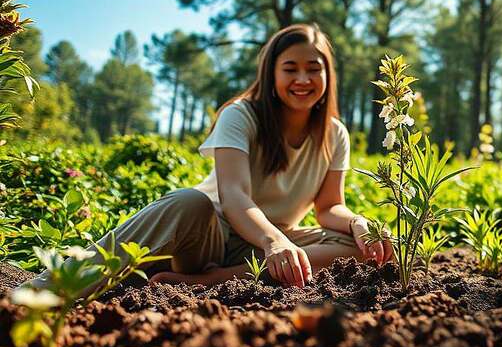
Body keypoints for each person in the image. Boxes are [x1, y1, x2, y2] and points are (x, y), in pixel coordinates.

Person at [23, 23, 391, 297]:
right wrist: (274, 243)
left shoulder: (335, 133)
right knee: (189, 201)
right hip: (213, 234)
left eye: (314, 68)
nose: (303, 78)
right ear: (271, 72)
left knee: (357, 248)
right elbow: (234, 197)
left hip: (267, 247)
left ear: (328, 73)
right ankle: (42, 293)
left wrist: (359, 222)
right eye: (290, 68)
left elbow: (329, 208)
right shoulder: (241, 115)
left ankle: (211, 282)